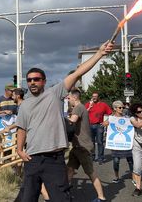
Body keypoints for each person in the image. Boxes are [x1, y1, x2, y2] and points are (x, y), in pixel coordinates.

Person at [15, 40, 114, 202]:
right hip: (32, 159)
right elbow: (22, 129)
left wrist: (99, 54)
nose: (33, 82)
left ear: (44, 81)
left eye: (37, 79)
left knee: (61, 198)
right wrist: (20, 150)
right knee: (27, 198)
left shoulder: (54, 93)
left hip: (53, 160)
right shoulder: (24, 105)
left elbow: (77, 73)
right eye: (30, 80)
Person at [66, 89, 106, 201]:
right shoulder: (80, 107)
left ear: (74, 97)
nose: (68, 100)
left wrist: (59, 118)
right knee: (69, 169)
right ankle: (66, 194)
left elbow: (71, 121)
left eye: (69, 98)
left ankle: (101, 197)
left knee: (90, 173)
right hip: (77, 146)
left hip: (83, 147)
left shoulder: (78, 107)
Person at [103, 100, 133, 183]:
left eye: (123, 107)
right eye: (120, 107)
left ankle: (133, 176)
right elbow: (104, 124)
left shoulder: (126, 117)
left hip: (126, 142)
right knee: (116, 161)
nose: (122, 109)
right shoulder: (111, 118)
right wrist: (104, 124)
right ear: (115, 108)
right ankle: (117, 177)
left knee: (130, 160)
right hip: (116, 143)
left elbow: (132, 126)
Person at [85, 92, 112, 164]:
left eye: (96, 96)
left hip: (99, 125)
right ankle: (92, 157)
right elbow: (83, 113)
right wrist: (89, 107)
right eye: (93, 96)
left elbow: (111, 114)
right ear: (91, 97)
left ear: (98, 97)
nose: (94, 98)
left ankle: (101, 158)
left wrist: (106, 121)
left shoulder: (103, 105)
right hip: (89, 125)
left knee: (100, 142)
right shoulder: (88, 104)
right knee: (91, 142)